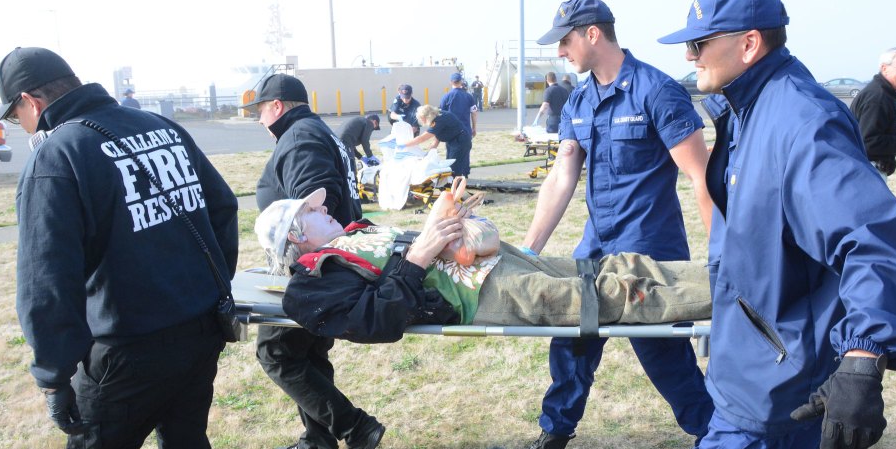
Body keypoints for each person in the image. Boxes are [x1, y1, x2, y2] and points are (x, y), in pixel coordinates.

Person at [567, 0, 896, 449]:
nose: (689, 56)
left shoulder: (800, 122)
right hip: (767, 345)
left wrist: (864, 359)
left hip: (776, 368)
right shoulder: (750, 109)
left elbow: (873, 240)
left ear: (749, 43)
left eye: (700, 43)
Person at [0, 47, 242, 449]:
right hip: (200, 325)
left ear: (31, 101)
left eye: (17, 117)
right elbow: (222, 208)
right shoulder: (159, 127)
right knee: (182, 439)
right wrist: (209, 287)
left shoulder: (61, 153)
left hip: (131, 340)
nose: (20, 128)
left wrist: (54, 377)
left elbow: (45, 280)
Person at [484, 0, 715, 449]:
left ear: (593, 34)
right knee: (571, 339)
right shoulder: (579, 99)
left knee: (663, 356)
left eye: (565, 40)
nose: (561, 51)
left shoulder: (657, 91)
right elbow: (563, 176)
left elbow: (700, 177)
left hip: (649, 254)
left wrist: (724, 258)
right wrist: (529, 251)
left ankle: (720, 446)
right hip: (595, 248)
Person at [253, 189, 711, 342]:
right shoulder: (313, 284)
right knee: (613, 295)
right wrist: (418, 257)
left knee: (613, 266)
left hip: (494, 260)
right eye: (312, 212)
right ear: (296, 234)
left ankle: (729, 275)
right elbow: (376, 321)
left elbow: (418, 245)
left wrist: (446, 218)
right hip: (476, 294)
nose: (325, 208)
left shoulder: (353, 233)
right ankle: (742, 295)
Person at [243, 74, 385, 449]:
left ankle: (356, 428)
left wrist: (303, 268)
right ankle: (319, 441)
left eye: (260, 111)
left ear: (278, 106)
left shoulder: (301, 136)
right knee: (308, 354)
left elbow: (314, 206)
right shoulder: (314, 130)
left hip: (315, 266)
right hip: (326, 265)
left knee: (278, 353)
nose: (258, 120)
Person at [849, 48, 896, 178]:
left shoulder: (883, 93)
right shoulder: (878, 98)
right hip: (868, 172)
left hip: (868, 170)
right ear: (884, 68)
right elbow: (868, 142)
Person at [405, 104, 474, 177]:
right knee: (450, 164)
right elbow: (438, 133)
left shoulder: (438, 120)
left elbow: (422, 138)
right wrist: (432, 148)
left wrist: (404, 145)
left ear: (427, 116)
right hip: (453, 139)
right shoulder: (437, 115)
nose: (421, 120)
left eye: (422, 118)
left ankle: (456, 184)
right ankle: (452, 183)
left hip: (460, 141)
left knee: (455, 167)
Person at [440, 71, 478, 138]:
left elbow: (441, 115)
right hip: (466, 131)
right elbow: (474, 113)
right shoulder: (469, 96)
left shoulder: (445, 97)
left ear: (451, 82)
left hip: (451, 132)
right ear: (461, 82)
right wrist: (474, 128)